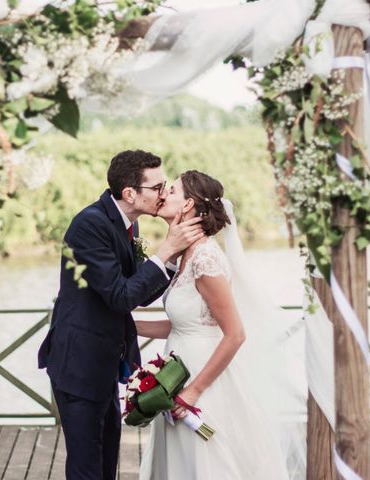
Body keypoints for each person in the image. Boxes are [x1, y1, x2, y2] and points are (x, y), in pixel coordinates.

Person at [37, 150, 204, 480]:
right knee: (88, 468)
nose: (164, 192)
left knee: (106, 460)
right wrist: (166, 249)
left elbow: (138, 293)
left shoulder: (128, 222)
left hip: (104, 364)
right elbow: (120, 296)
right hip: (79, 365)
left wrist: (169, 261)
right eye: (157, 187)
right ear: (130, 193)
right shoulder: (89, 225)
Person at [136, 170, 304, 479]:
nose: (163, 194)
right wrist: (128, 325)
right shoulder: (185, 256)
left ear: (188, 205)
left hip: (203, 381)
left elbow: (235, 334)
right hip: (176, 372)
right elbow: (184, 324)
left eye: (171, 191)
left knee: (208, 462)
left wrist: (194, 392)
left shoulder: (206, 260)